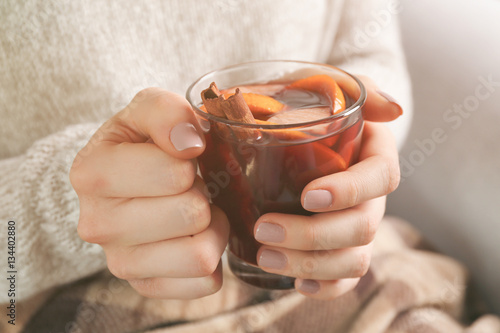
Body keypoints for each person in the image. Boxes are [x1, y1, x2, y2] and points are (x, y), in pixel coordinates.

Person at [0, 0, 414, 328]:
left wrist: (358, 150)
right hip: (57, 303)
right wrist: (58, 207)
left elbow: (367, 55)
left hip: (359, 280)